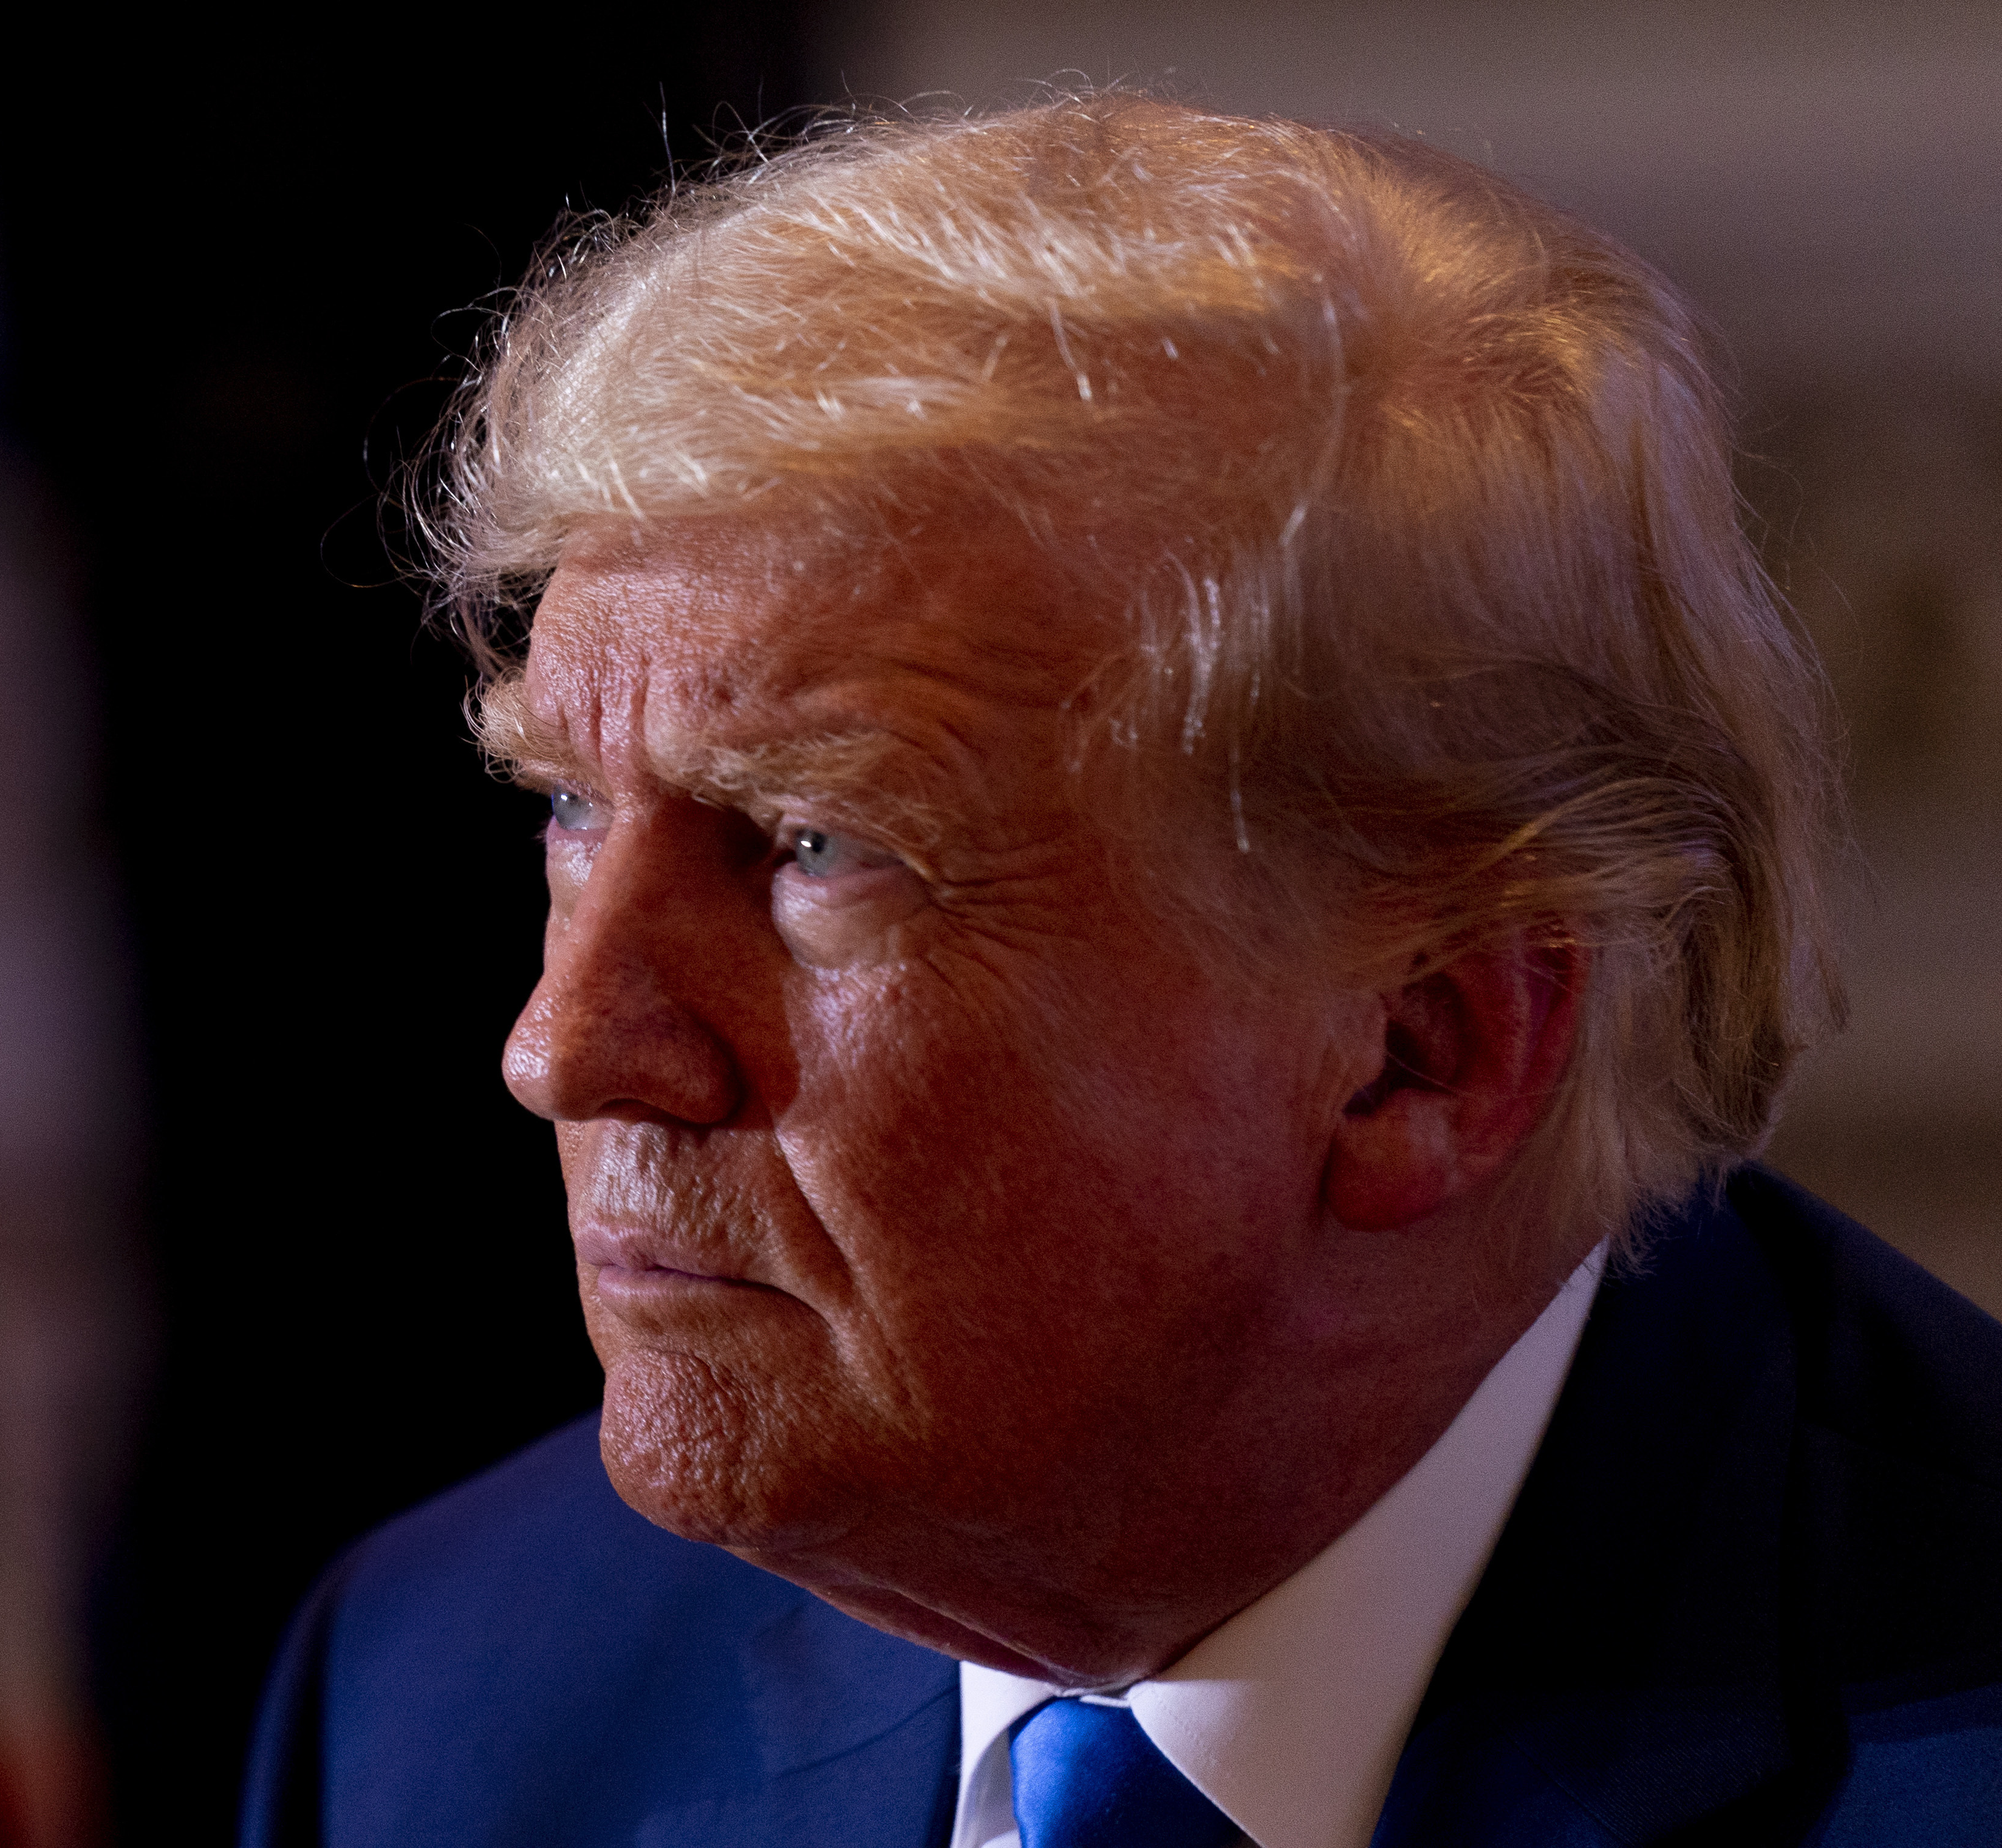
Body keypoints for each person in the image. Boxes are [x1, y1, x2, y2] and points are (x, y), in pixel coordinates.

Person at [242, 93, 2002, 1846]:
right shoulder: (444, 1701)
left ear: (1418, 1057)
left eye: (817, 846)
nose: (565, 1046)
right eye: (568, 802)